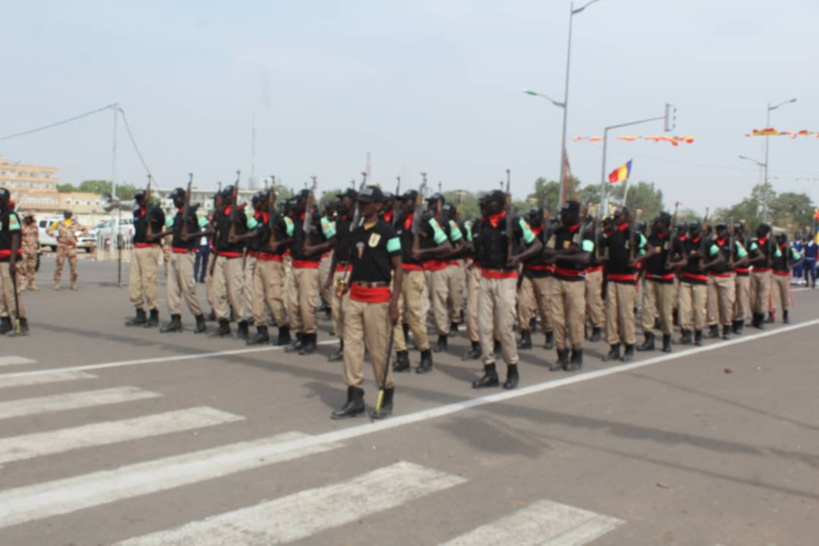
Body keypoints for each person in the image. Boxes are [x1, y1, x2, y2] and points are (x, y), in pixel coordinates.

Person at [332, 185, 402, 420]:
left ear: (378, 206)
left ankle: (386, 394)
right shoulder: (357, 231)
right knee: (352, 349)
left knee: (378, 350)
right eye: (360, 202)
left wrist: (394, 303)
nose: (361, 206)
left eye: (366, 203)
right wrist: (346, 283)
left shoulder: (388, 233)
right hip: (355, 295)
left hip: (378, 297)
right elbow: (355, 261)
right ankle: (354, 397)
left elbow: (398, 268)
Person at [472, 190, 541, 389]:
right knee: (484, 327)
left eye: (490, 202)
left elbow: (536, 245)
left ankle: (512, 368)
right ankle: (489, 370)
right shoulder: (481, 224)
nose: (485, 205)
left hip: (506, 279)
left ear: (500, 204)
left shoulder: (515, 223)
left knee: (504, 327)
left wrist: (519, 258)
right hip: (486, 277)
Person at [391, 190, 441, 373]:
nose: (403, 204)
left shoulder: (426, 221)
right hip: (397, 272)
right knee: (394, 313)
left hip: (414, 273)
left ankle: (425, 353)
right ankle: (401, 354)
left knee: (414, 316)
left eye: (407, 201)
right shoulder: (397, 220)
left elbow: (445, 245)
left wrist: (423, 253)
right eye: (402, 201)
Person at [543, 201, 592, 371]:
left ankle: (577, 355)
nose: (562, 217)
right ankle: (561, 354)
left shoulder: (586, 233)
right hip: (557, 279)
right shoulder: (557, 232)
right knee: (556, 319)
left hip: (575, 281)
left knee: (575, 321)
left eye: (565, 214)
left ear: (574, 214)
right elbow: (546, 252)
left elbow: (585, 259)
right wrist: (567, 252)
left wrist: (558, 257)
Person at [598, 207, 650, 362]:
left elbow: (651, 250)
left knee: (625, 315)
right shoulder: (612, 236)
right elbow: (607, 261)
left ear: (627, 217)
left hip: (626, 280)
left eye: (620, 216)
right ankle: (614, 347)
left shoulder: (634, 235)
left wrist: (637, 260)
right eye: (616, 216)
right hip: (612, 280)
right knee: (611, 315)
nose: (617, 218)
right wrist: (603, 283)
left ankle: (629, 347)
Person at [155, 187, 209, 334]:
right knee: (171, 290)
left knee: (188, 289)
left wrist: (192, 236)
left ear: (183, 198)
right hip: (175, 253)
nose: (174, 201)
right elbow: (173, 229)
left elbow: (210, 229)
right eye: (173, 198)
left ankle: (199, 318)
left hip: (186, 254)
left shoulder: (193, 212)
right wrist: (159, 234)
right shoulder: (178, 214)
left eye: (176, 198)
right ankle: (175, 319)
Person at [287, 189, 335, 355]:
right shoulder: (297, 220)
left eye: (300, 200)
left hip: (309, 267)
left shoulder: (320, 220)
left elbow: (333, 238)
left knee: (307, 305)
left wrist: (316, 248)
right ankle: (299, 335)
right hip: (295, 265)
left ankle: (310, 338)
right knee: (293, 304)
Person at [211, 185, 258, 338]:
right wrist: (213, 261)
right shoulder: (219, 214)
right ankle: (223, 322)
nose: (223, 199)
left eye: (226, 196)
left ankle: (241, 323)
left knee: (235, 292)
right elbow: (217, 236)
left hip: (235, 257)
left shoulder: (242, 214)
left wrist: (240, 238)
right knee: (217, 292)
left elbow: (256, 230)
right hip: (221, 256)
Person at [246, 190, 292, 345]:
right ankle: (261, 330)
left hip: (273, 262)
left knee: (274, 298)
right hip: (259, 260)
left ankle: (283, 330)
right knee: (256, 297)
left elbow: (292, 236)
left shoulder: (279, 219)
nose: (256, 204)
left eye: (259, 201)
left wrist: (279, 243)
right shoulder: (258, 218)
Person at [673, 222, 722, 346]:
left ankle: (698, 334)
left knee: (699, 310)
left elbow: (720, 257)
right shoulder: (686, 243)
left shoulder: (707, 243)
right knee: (684, 309)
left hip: (700, 280)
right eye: (691, 229)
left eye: (694, 229)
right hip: (686, 279)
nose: (692, 231)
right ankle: (686, 333)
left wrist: (706, 265)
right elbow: (680, 256)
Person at [323, 189, 357, 361]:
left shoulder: (359, 222)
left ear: (351, 201)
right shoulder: (341, 221)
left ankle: (353, 346)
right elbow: (336, 248)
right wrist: (330, 275)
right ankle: (343, 344)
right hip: (339, 271)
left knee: (348, 310)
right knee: (337, 311)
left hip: (351, 271)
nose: (340, 203)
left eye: (343, 199)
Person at [425, 193, 461, 353]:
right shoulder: (425, 221)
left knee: (444, 301)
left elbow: (462, 244)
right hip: (424, 266)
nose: (430, 206)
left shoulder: (448, 223)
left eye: (433, 203)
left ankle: (443, 335)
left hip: (443, 266)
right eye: (429, 203)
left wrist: (451, 255)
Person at [638, 213, 679, 353]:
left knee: (665, 311)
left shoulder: (673, 239)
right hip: (650, 277)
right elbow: (645, 258)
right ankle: (648, 339)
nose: (656, 224)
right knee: (647, 310)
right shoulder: (651, 238)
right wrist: (639, 274)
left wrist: (673, 264)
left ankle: (666, 339)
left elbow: (684, 259)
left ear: (665, 223)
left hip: (665, 280)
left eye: (659, 222)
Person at [517, 207, 555, 351]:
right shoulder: (526, 232)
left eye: (534, 216)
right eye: (530, 216)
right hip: (528, 272)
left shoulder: (549, 231)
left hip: (543, 274)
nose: (532, 219)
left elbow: (550, 250)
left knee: (545, 308)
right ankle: (525, 336)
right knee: (524, 306)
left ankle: (549, 334)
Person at [125, 191, 165, 328]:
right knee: (134, 282)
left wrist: (151, 210)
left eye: (142, 198)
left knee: (148, 282)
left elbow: (161, 222)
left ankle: (154, 312)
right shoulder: (136, 213)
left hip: (150, 249)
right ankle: (140, 311)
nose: (140, 201)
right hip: (138, 248)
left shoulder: (156, 211)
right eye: (138, 199)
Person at [705, 222, 747, 340]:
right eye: (718, 229)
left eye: (722, 229)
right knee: (711, 304)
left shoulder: (734, 243)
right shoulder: (712, 243)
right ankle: (713, 328)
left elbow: (745, 257)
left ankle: (726, 328)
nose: (720, 232)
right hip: (712, 276)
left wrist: (734, 264)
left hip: (727, 277)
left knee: (726, 304)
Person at [0, 188, 27, 335]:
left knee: (10, 291)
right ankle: (4, 320)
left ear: (6, 200)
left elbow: (16, 237)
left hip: (7, 258)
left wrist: (12, 261)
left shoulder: (11, 215)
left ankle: (20, 320)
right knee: (0, 292)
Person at [48, 209, 88, 291]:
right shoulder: (59, 224)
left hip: (71, 247)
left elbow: (85, 229)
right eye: (65, 213)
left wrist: (79, 235)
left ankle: (73, 282)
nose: (66, 215)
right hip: (61, 246)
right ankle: (57, 282)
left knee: (73, 266)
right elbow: (48, 230)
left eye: (68, 213)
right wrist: (54, 235)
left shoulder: (75, 224)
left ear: (71, 215)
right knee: (59, 265)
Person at [748, 224, 777, 329]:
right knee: (752, 297)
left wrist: (772, 262)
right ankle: (754, 317)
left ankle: (760, 318)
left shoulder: (771, 243)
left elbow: (778, 255)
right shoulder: (754, 243)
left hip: (765, 271)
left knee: (763, 296)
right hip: (755, 271)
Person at [770, 232, 801, 324]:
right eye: (777, 238)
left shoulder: (789, 249)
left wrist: (791, 266)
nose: (778, 240)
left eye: (780, 238)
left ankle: (785, 314)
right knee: (772, 296)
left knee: (785, 296)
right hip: (774, 274)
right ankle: (771, 314)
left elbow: (799, 258)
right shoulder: (774, 248)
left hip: (785, 275)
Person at [732, 222, 752, 334]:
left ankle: (739, 321)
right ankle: (731, 321)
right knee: (731, 300)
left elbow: (753, 254)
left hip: (743, 273)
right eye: (734, 229)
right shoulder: (730, 241)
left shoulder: (748, 241)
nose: (736, 232)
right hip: (731, 273)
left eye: (738, 230)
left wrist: (749, 262)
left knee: (741, 299)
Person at [21, 211, 39, 291]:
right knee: (22, 268)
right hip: (24, 248)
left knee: (31, 267)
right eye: (25, 218)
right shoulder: (21, 226)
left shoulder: (34, 226)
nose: (27, 220)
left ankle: (32, 284)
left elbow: (37, 237)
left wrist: (38, 248)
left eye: (28, 218)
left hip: (33, 249)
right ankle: (21, 284)